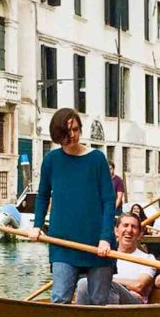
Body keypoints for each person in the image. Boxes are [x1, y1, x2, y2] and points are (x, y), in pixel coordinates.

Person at [27, 108, 116, 305]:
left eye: (76, 130)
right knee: (60, 298)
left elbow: (109, 201)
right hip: (62, 243)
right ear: (58, 135)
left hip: (97, 244)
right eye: (67, 132)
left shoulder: (97, 159)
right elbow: (42, 196)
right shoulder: (51, 160)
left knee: (99, 301)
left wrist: (105, 238)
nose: (73, 136)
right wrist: (37, 225)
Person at [74, 213, 156, 304]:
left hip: (134, 304)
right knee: (83, 283)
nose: (129, 230)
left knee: (105, 284)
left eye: (134, 227)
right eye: (125, 225)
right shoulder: (106, 254)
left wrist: (105, 279)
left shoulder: (148, 258)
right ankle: (83, 316)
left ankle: (109, 316)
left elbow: (138, 285)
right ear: (116, 231)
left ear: (140, 234)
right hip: (104, 296)